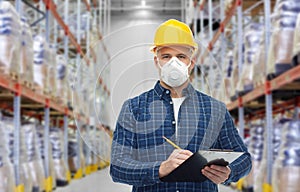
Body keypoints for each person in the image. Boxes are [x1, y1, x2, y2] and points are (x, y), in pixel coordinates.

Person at [110, 19, 251, 192]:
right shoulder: (134, 108)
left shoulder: (215, 109)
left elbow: (244, 159)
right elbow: (117, 167)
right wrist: (160, 169)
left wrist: (229, 172)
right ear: (157, 62)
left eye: (181, 56)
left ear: (191, 63)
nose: (173, 63)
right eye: (166, 56)